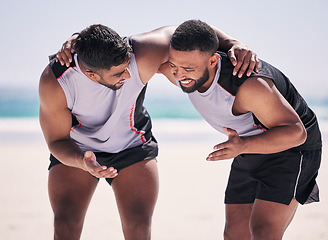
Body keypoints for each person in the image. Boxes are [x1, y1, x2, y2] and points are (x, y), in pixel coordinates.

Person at [39, 23, 259, 240]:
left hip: (132, 146)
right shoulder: (56, 81)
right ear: (91, 74)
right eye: (118, 74)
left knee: (138, 227)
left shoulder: (142, 52)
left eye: (126, 66)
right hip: (79, 148)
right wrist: (81, 161)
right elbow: (57, 140)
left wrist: (234, 43)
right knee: (65, 224)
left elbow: (187, 29)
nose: (127, 75)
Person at [158, 20, 322, 240]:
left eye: (188, 69)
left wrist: (243, 145)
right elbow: (187, 28)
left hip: (292, 147)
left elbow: (296, 132)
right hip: (247, 144)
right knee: (235, 233)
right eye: (174, 66)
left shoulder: (248, 86)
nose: (179, 75)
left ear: (213, 60)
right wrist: (232, 41)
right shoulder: (181, 68)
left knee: (263, 232)